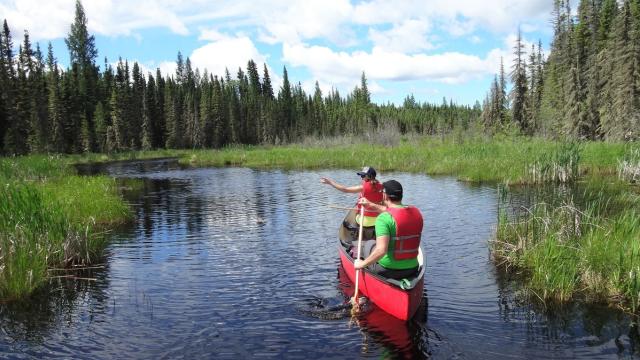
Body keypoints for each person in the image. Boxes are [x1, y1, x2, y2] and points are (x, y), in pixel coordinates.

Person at [354, 180, 423, 280]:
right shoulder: (416, 212)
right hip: (412, 269)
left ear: (385, 196)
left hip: (387, 270)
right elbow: (396, 211)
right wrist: (371, 205)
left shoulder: (383, 219)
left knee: (369, 244)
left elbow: (381, 250)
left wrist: (361, 264)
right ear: (401, 195)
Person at [320, 167, 384, 237]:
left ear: (369, 176)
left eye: (363, 176)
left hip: (364, 220)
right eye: (361, 176)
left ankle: (359, 234)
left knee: (356, 217)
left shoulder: (362, 187)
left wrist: (330, 182)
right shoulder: (382, 187)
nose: (361, 178)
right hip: (378, 219)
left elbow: (345, 189)